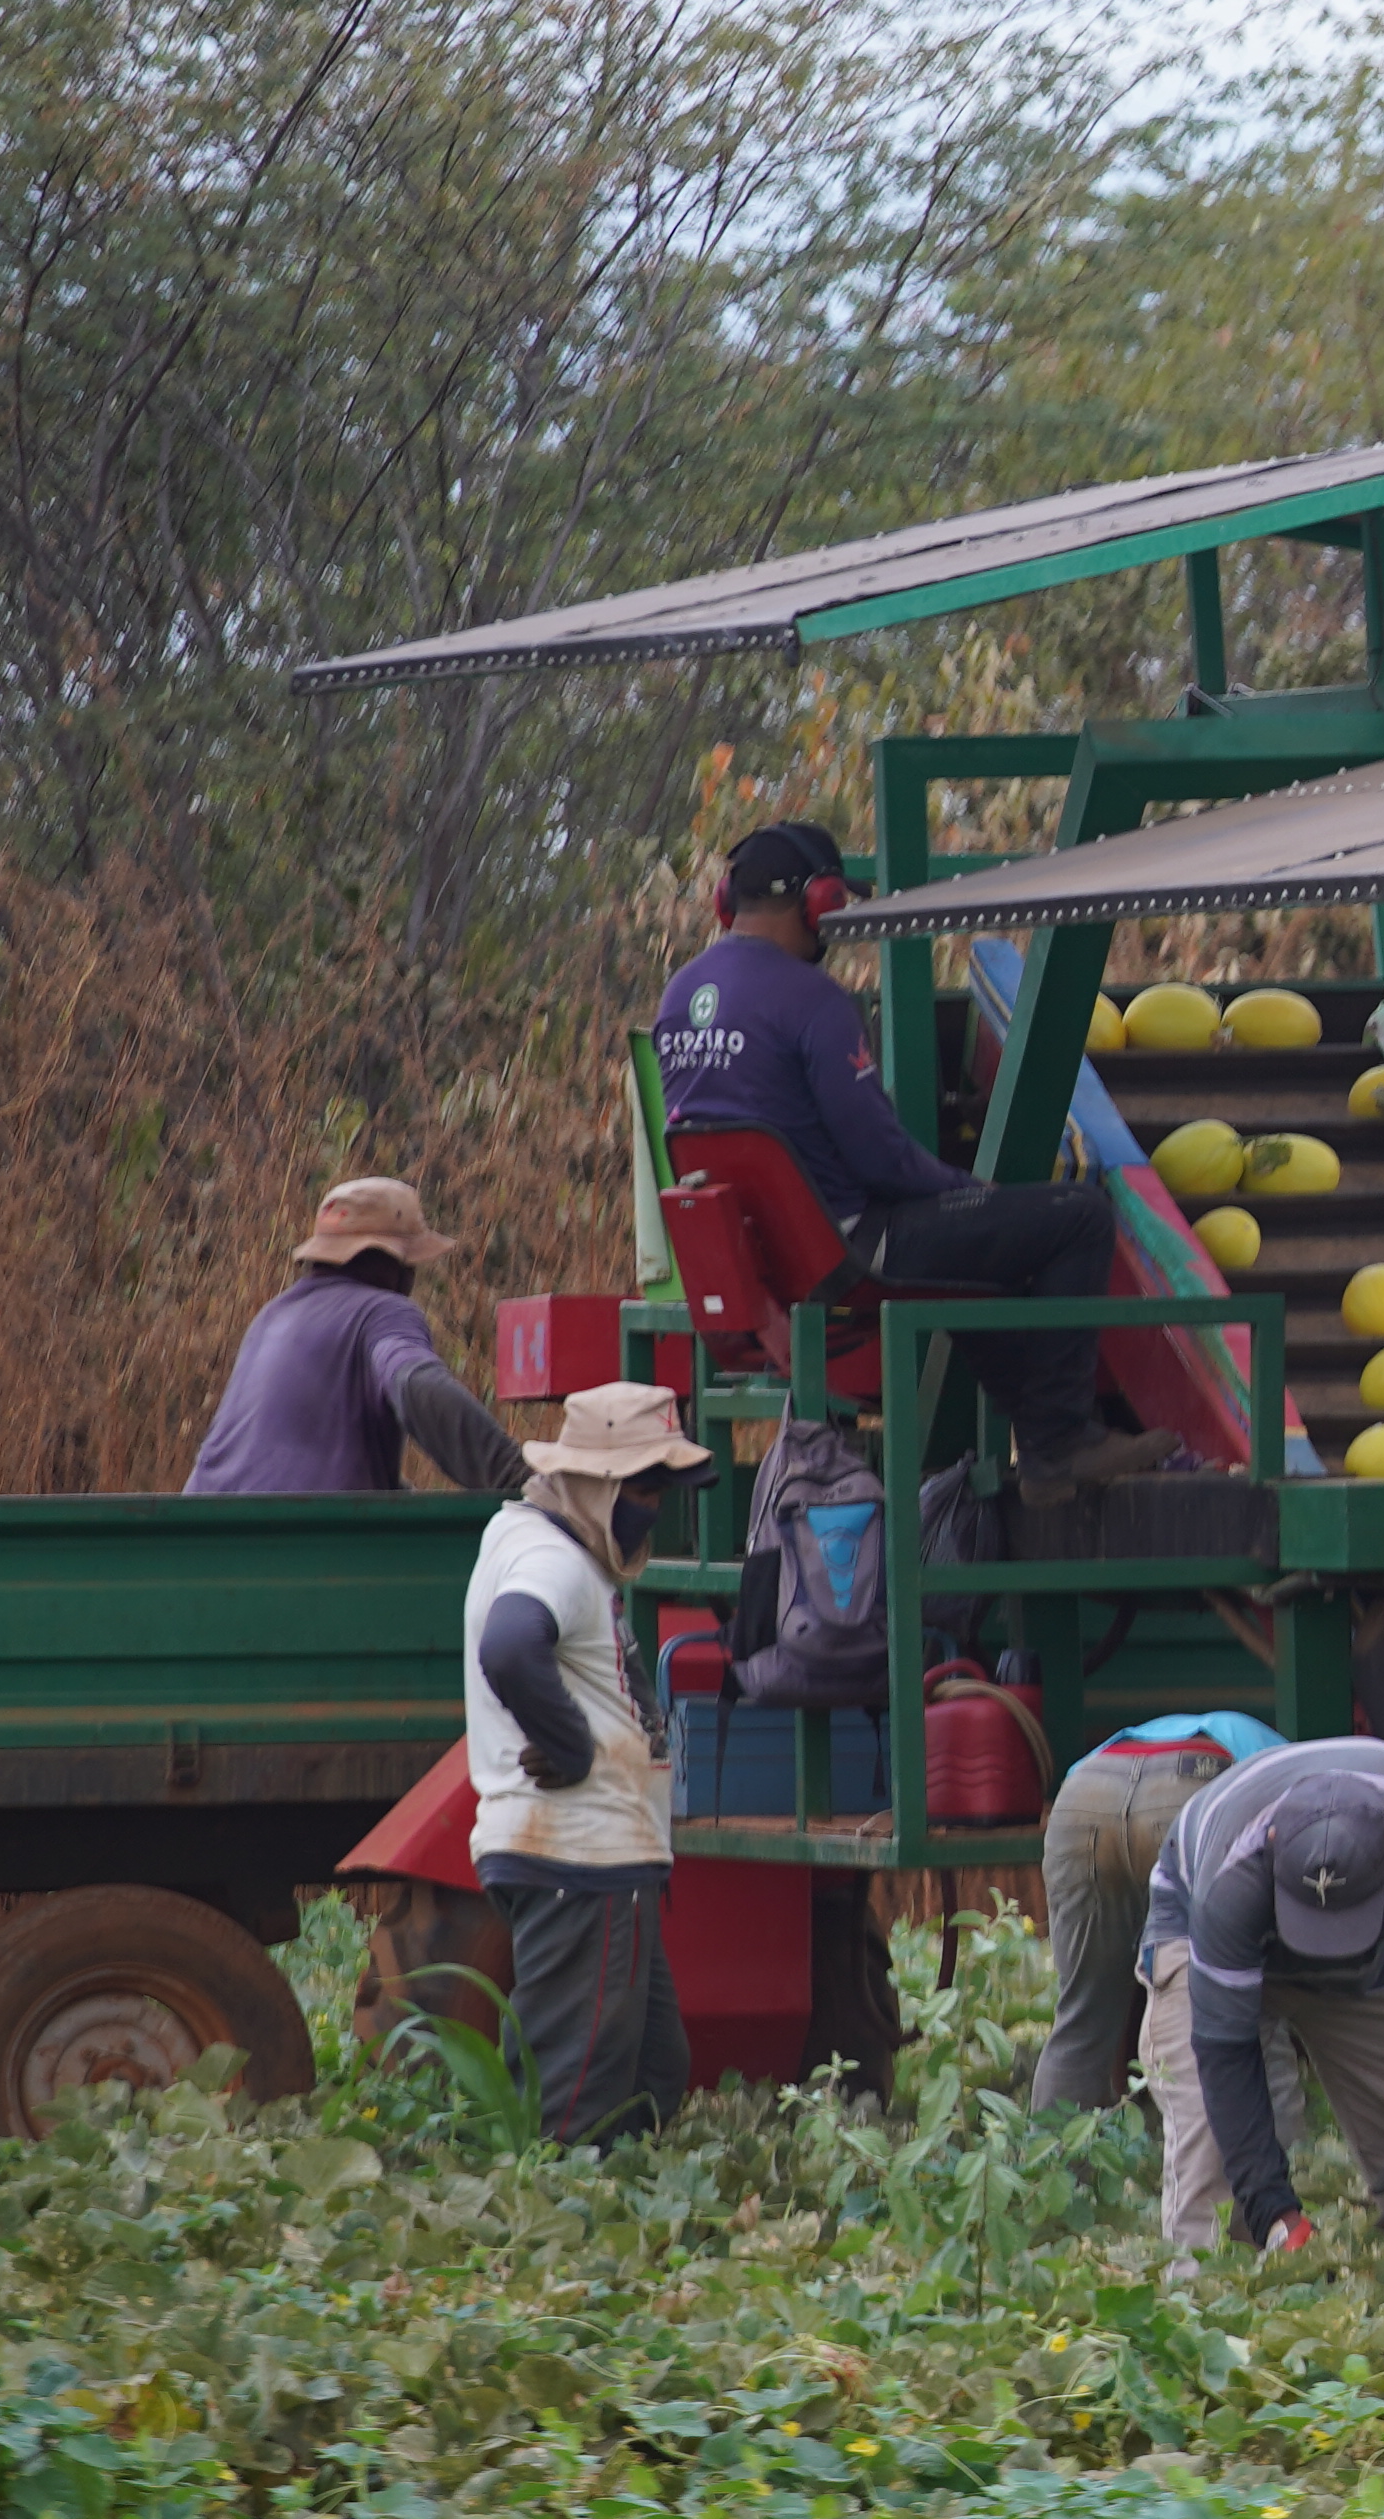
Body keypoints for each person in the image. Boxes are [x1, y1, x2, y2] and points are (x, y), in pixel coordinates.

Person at [653, 823, 1163, 1487]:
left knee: (981, 1263)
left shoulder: (677, 997)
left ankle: (1048, 1441)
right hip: (850, 1246)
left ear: (727, 901)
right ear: (821, 902)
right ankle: (1062, 1440)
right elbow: (881, 1158)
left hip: (773, 1260)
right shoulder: (813, 1001)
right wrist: (966, 1190)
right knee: (1078, 1215)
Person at [1136, 1734, 1384, 2259]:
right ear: (1274, 1843)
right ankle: (1211, 2310)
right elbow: (1224, 2050)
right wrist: (1273, 2212)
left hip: (1378, 1954)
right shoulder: (1233, 1879)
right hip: (1198, 1927)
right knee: (1211, 2160)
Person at [455, 1377, 713, 2146]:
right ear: (596, 1485)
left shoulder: (530, 1539)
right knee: (576, 2105)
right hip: (578, 1856)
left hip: (599, 1859)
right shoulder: (553, 1561)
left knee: (653, 2074)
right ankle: (544, 2238)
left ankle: (606, 2233)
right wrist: (571, 1749)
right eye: (645, 1489)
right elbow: (509, 1645)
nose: (654, 1509)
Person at [184, 1179, 517, 1495]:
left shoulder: (271, 1317)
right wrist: (515, 1477)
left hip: (201, 1537)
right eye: (409, 1264)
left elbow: (289, 1457)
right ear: (391, 1264)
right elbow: (418, 1383)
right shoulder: (383, 1311)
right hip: (303, 1540)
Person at [1028, 1708, 1285, 2112]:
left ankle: (1053, 2164)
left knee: (1082, 2014)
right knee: (1248, 2005)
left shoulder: (1146, 1733)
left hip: (1084, 1793)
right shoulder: (1299, 1765)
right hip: (1192, 1786)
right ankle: (1282, 2163)